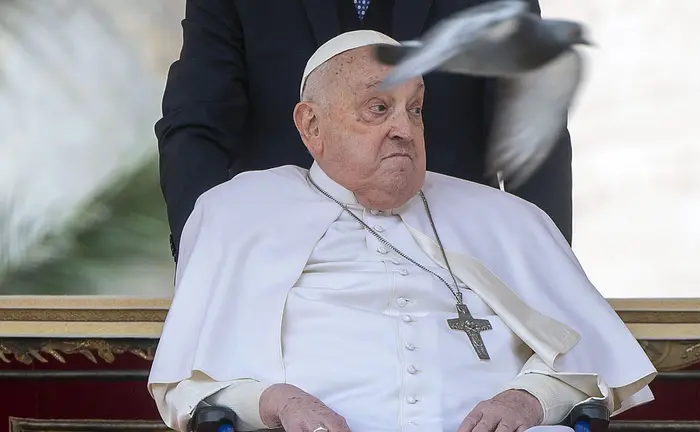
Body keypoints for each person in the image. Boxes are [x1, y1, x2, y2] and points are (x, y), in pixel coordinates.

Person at [148, 31, 656, 432]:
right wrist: (273, 401)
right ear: (311, 126)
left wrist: (530, 398)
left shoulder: (507, 220)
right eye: (378, 108)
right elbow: (191, 388)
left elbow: (591, 366)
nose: (404, 129)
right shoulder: (240, 213)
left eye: (415, 109)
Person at [156, 0, 575, 263]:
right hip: (286, 266)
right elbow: (196, 119)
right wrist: (205, 256)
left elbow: (535, 129)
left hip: (455, 261)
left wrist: (545, 269)